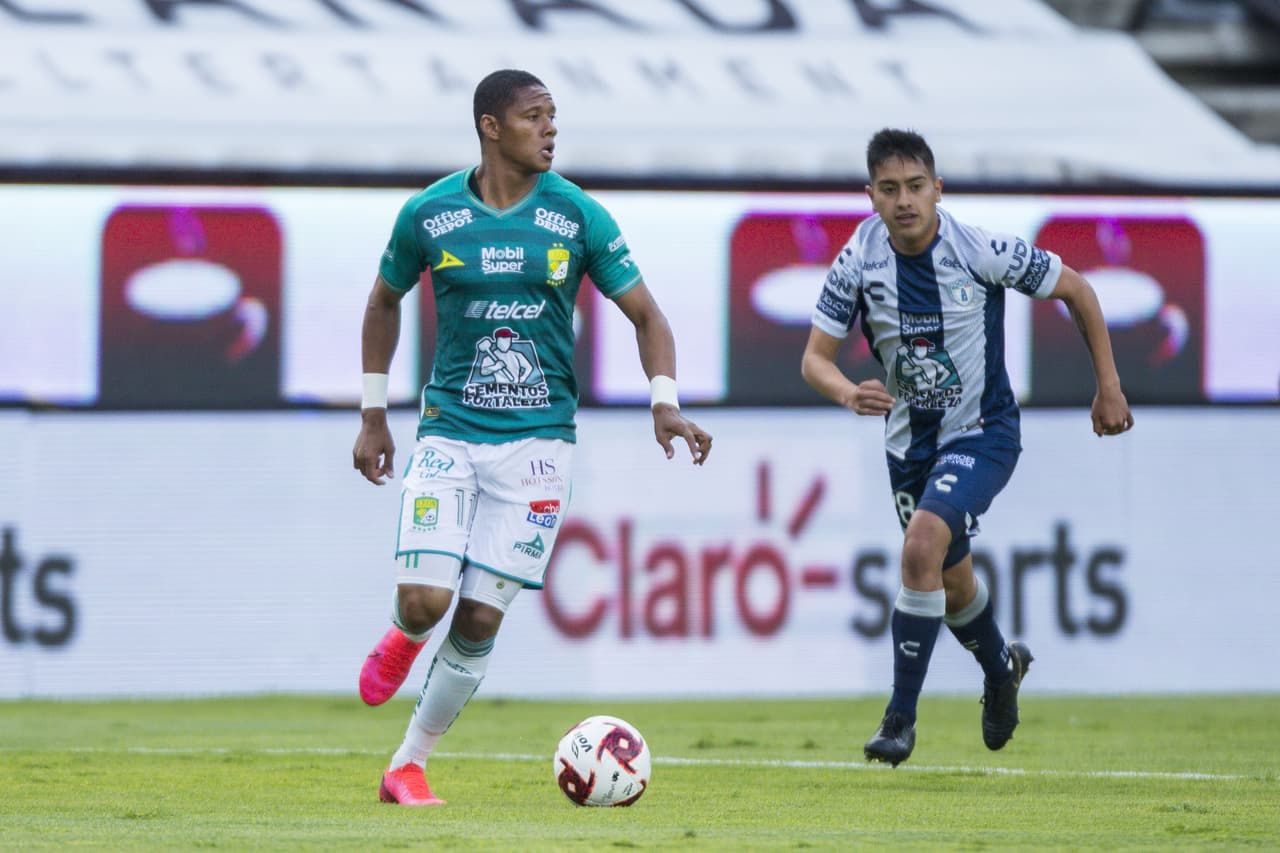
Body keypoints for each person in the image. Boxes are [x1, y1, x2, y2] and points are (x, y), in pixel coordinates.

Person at [351, 68, 713, 805]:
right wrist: (372, 413)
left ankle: (407, 764)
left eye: (554, 116)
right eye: (535, 117)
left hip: (539, 446)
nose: (550, 129)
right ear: (491, 126)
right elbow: (383, 300)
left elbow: (649, 315)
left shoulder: (577, 216)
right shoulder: (429, 214)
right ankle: (401, 634)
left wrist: (664, 401)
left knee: (480, 615)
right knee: (425, 601)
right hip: (450, 432)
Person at [801, 128, 1133, 767]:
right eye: (890, 189)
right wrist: (847, 392)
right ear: (870, 196)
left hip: (983, 433)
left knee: (920, 547)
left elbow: (1078, 290)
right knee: (949, 582)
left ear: (938, 189)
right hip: (907, 446)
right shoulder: (858, 258)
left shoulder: (977, 248)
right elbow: (815, 358)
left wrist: (1108, 388)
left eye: (917, 187)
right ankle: (1001, 668)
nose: (905, 201)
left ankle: (899, 721)